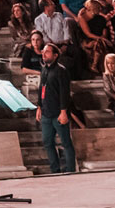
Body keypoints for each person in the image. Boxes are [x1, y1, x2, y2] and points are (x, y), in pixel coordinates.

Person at [34, 43, 73, 175]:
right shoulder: (44, 69)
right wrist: (39, 106)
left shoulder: (61, 70)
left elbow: (64, 92)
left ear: (55, 55)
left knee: (66, 142)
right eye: (43, 52)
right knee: (47, 142)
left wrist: (63, 112)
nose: (44, 54)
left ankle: (70, 170)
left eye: (47, 52)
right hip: (46, 112)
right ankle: (55, 170)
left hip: (58, 112)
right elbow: (41, 88)